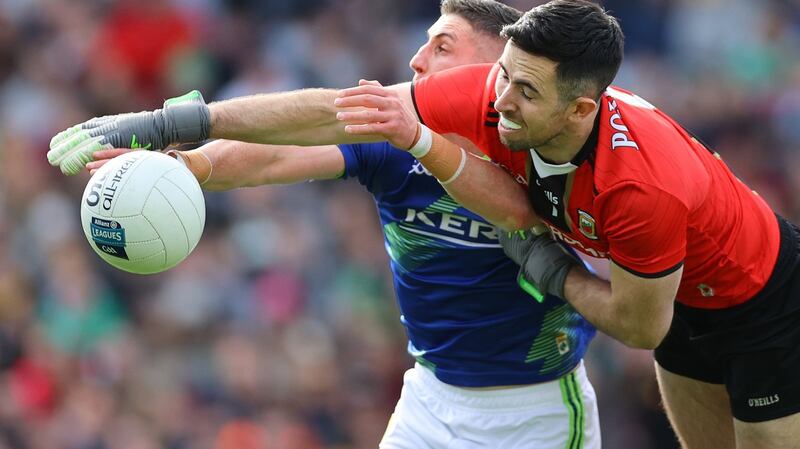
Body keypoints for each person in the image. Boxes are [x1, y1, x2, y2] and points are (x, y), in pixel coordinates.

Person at [50, 2, 601, 448]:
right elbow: (273, 156)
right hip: (430, 399)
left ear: (491, 71)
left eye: (442, 46)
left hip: (535, 408)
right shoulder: (391, 136)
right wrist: (182, 167)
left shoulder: (546, 154)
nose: (416, 60)